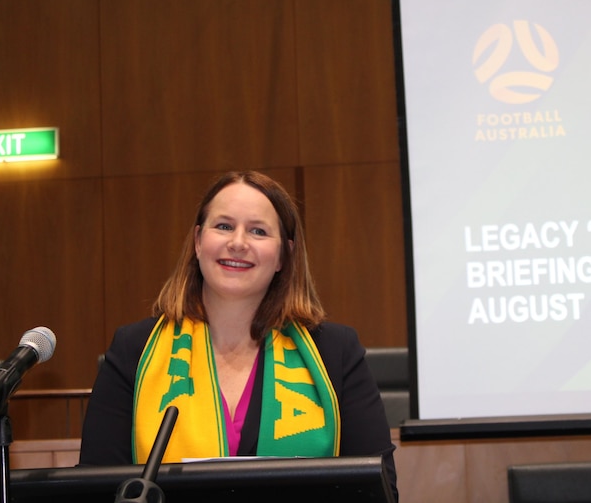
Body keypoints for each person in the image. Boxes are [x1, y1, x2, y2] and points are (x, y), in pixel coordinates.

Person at [79, 170, 398, 499]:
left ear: (283, 256)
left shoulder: (334, 352)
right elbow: (95, 489)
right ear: (198, 241)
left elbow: (378, 489)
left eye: (258, 231)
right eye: (224, 226)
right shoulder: (135, 350)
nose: (238, 242)